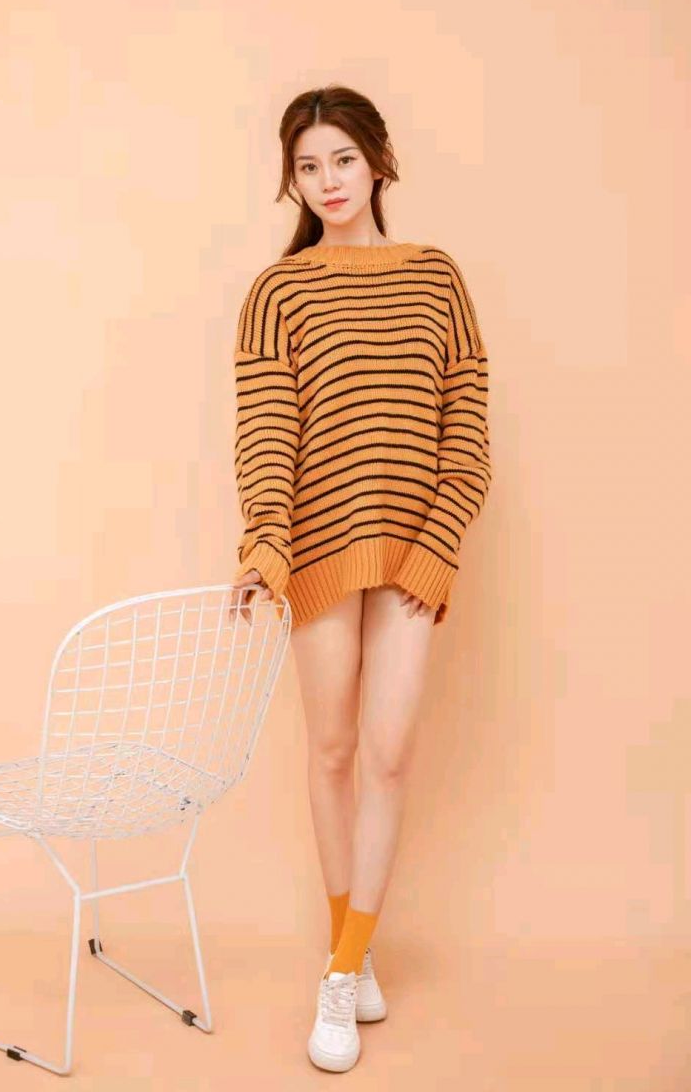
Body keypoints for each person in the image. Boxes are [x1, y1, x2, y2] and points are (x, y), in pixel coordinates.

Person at [227, 84, 492, 1073]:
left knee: (387, 755)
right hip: (317, 550)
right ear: (290, 180)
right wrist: (264, 546)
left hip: (413, 550)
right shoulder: (279, 293)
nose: (327, 181)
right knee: (333, 751)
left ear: (378, 160)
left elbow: (466, 428)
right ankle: (354, 949)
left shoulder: (435, 277)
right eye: (307, 166)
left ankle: (340, 975)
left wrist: (438, 543)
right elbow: (267, 434)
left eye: (342, 159)